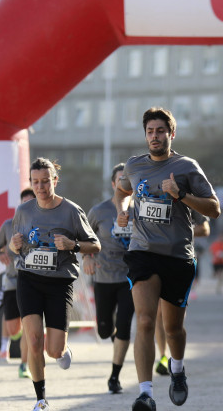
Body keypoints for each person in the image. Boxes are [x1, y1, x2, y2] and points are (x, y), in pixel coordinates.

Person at [114, 107, 220, 411]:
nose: (155, 136)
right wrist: (123, 209)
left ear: (171, 134)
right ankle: (145, 393)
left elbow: (214, 209)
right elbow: (122, 190)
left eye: (161, 131)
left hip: (177, 256)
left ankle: (177, 369)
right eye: (150, 131)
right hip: (142, 252)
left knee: (173, 329)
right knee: (145, 320)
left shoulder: (186, 167)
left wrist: (180, 195)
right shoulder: (134, 165)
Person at [9, 158, 101, 411]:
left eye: (45, 181)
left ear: (55, 181)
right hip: (28, 279)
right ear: (31, 183)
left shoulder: (71, 211)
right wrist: (13, 245)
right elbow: (14, 245)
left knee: (53, 350)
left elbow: (95, 244)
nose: (40, 187)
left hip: (59, 283)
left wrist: (73, 245)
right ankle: (40, 399)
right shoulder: (24, 211)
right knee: (34, 341)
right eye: (35, 182)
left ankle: (61, 351)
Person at [84, 162, 135, 394]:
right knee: (105, 330)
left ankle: (114, 376)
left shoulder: (141, 210)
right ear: (114, 184)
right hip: (104, 277)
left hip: (130, 278)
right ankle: (112, 333)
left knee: (124, 325)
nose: (125, 183)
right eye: (120, 179)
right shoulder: (99, 211)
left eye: (129, 179)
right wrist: (87, 257)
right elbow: (85, 237)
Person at [153, 212, 209, 377]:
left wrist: (180, 229)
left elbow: (205, 229)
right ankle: (163, 356)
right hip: (155, 258)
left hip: (180, 258)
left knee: (174, 317)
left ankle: (174, 355)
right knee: (158, 313)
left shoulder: (188, 196)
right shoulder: (150, 192)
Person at [0, 188, 37, 378]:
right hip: (12, 281)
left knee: (29, 325)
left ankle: (24, 365)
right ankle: (13, 341)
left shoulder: (41, 225)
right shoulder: (8, 226)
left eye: (30, 204)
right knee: (14, 329)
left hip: (34, 280)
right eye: (23, 203)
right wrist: (0, 255)